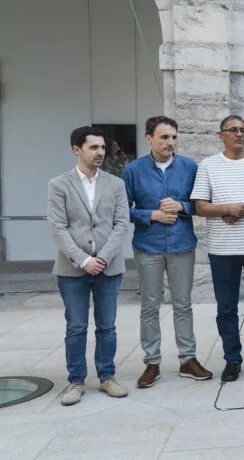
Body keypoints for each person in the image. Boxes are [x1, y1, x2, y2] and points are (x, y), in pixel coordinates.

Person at [122, 116, 212, 388]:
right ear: (149, 138)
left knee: (183, 304)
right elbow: (122, 209)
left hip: (182, 245)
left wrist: (182, 207)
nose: (170, 142)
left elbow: (202, 204)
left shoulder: (189, 167)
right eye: (164, 137)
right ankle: (152, 362)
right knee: (150, 305)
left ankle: (188, 359)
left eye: (173, 137)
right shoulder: (133, 170)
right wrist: (153, 215)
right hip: (148, 247)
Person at [190, 115, 244, 382]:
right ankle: (232, 359)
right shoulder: (208, 166)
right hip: (222, 250)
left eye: (243, 130)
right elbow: (200, 206)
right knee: (226, 308)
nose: (239, 134)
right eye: (233, 130)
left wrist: (242, 210)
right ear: (221, 136)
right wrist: (225, 209)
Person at [47, 126, 130, 406]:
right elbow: (58, 228)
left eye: (103, 147)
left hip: (108, 267)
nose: (100, 153)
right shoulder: (58, 184)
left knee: (107, 326)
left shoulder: (115, 184)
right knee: (76, 327)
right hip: (73, 270)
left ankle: (107, 377)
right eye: (94, 147)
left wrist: (102, 258)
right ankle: (76, 381)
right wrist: (83, 260)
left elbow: (121, 225)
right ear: (76, 150)